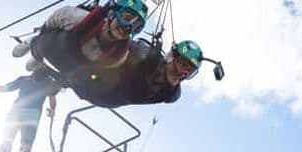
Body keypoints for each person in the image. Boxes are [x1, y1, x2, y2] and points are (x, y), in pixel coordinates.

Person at [12, 0, 149, 79]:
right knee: (38, 53)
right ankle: (30, 43)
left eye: (136, 26)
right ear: (113, 13)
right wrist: (41, 38)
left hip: (71, 65)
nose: (128, 27)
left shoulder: (118, 55)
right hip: (55, 44)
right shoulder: (76, 17)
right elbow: (54, 20)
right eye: (126, 18)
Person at [72, 40, 204, 108]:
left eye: (190, 71)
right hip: (89, 80)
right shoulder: (145, 55)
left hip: (105, 100)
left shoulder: (171, 94)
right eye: (183, 64)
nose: (183, 73)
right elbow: (123, 43)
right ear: (171, 57)